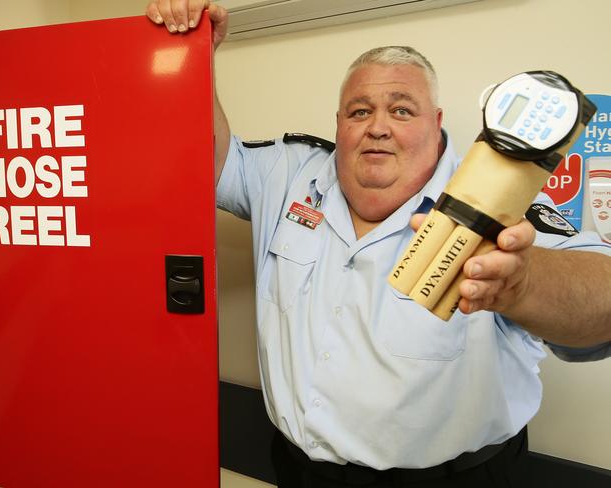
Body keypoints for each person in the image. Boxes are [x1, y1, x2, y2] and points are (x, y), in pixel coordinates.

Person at [147, 2, 611, 486]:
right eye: (359, 111)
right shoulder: (286, 175)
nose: (378, 126)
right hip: (299, 471)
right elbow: (209, 159)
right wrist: (193, 52)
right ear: (339, 123)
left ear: (437, 122)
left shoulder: (502, 205)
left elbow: (604, 294)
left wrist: (525, 283)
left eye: (401, 110)